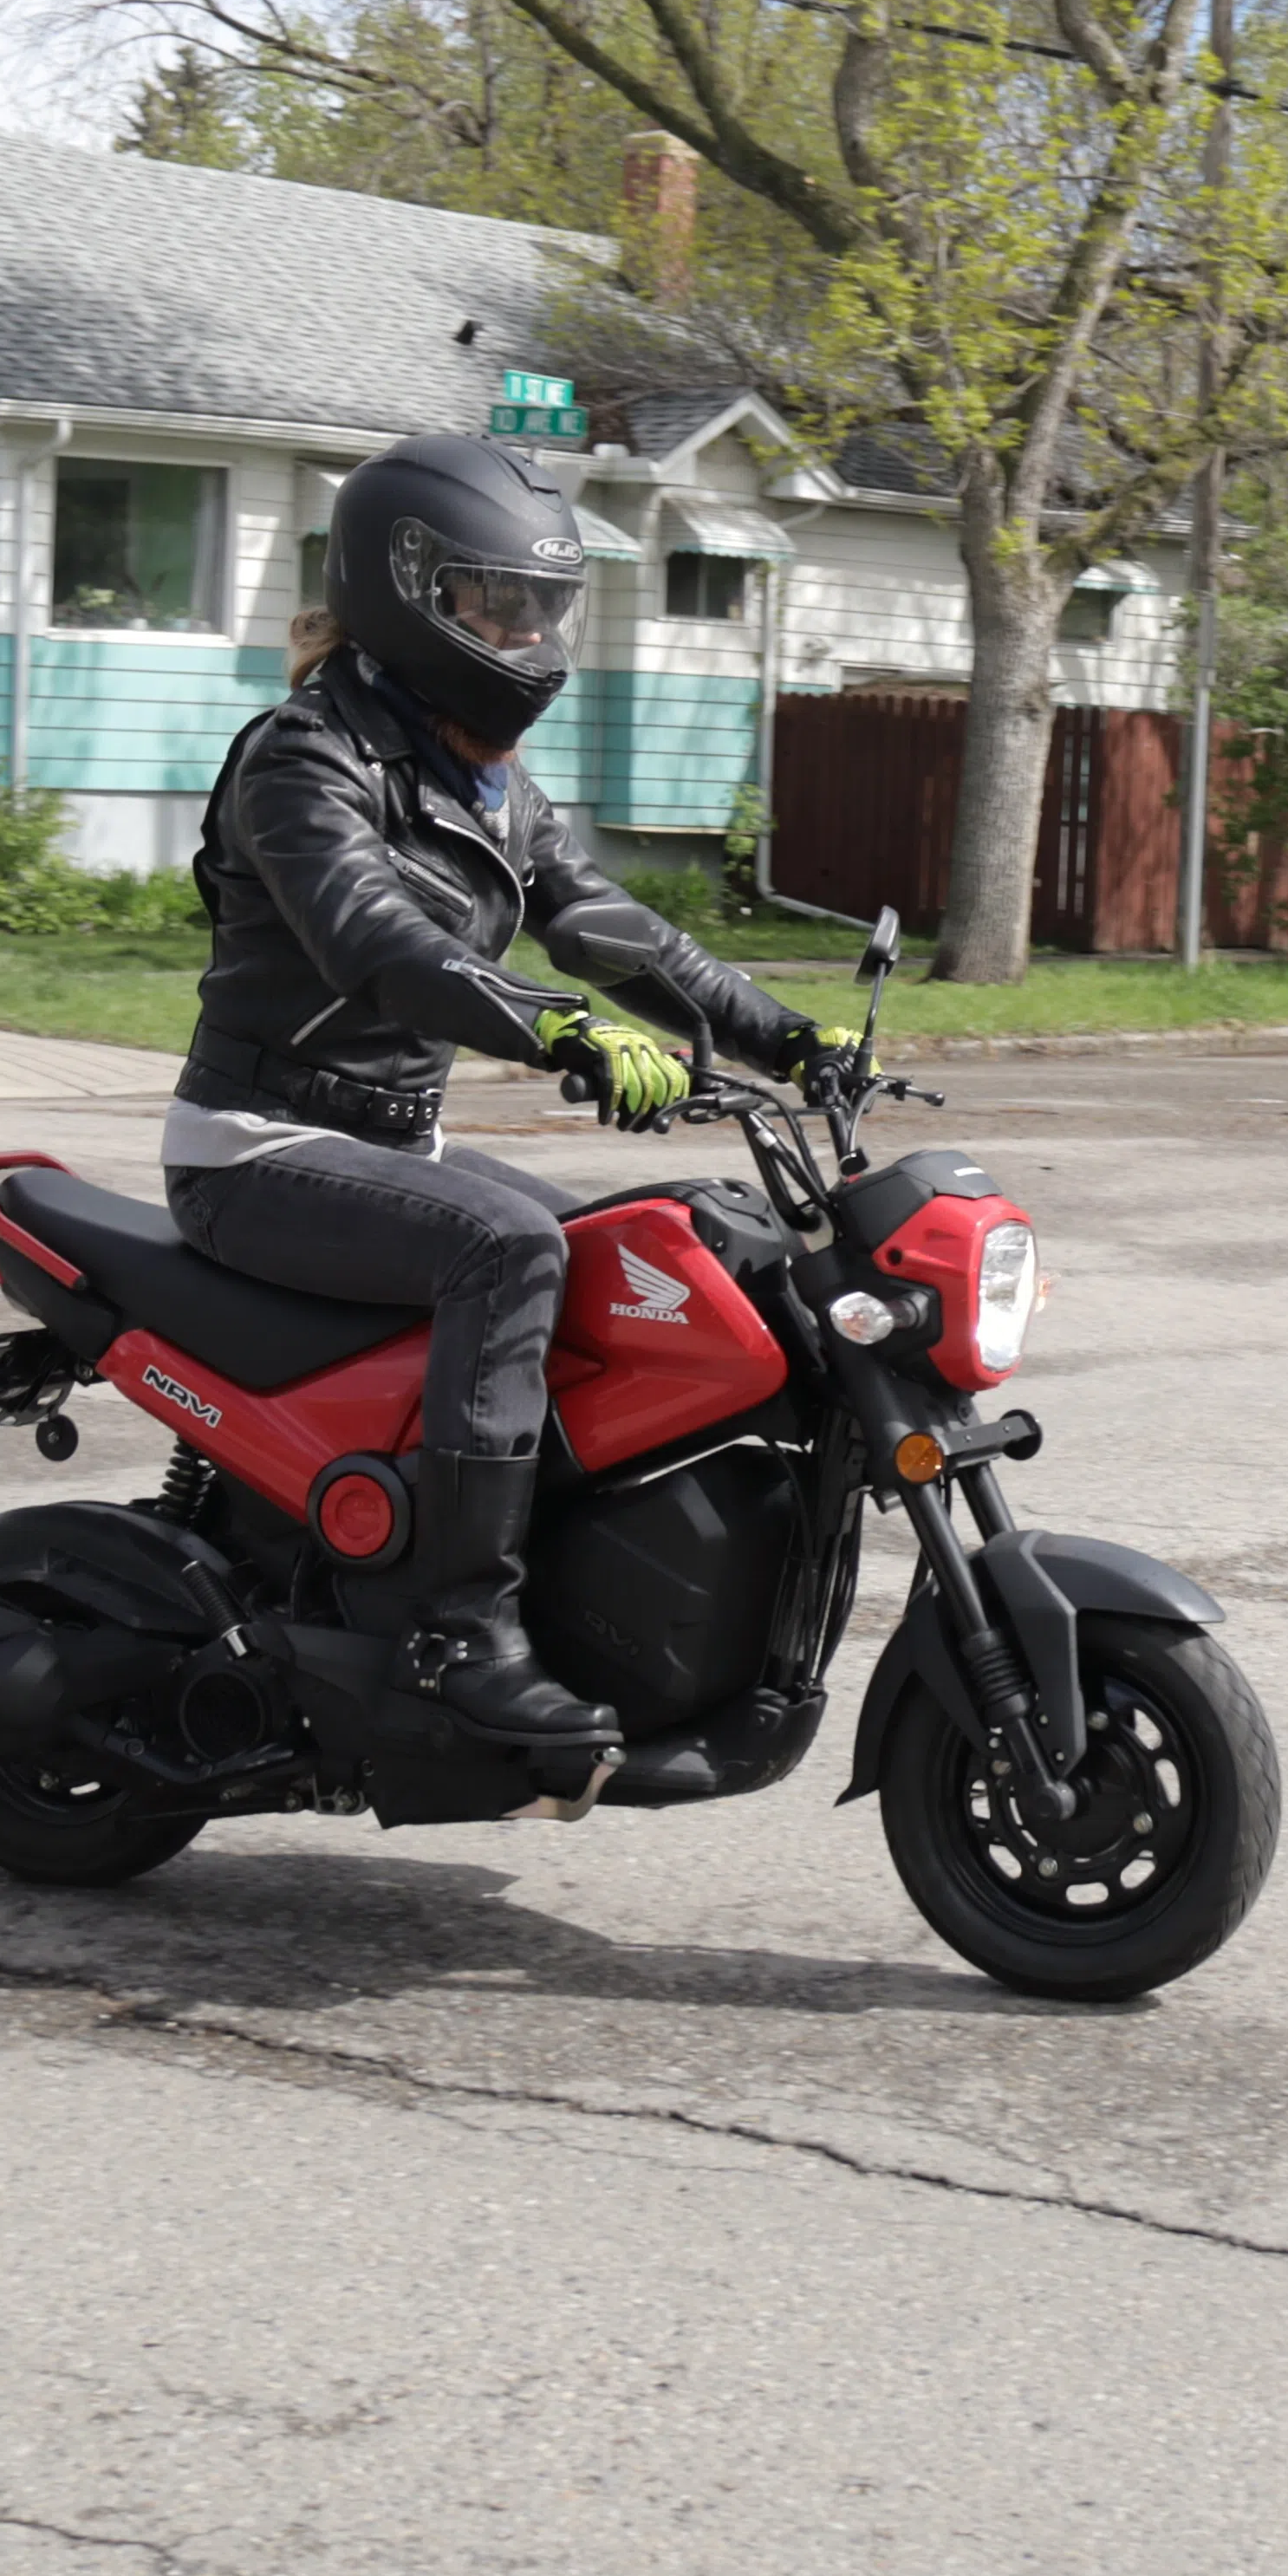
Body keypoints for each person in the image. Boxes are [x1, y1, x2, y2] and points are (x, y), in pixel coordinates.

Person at [168, 432, 841, 1760]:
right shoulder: (305, 761)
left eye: (544, 605)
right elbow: (377, 944)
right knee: (511, 1248)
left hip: (392, 1148)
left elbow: (608, 927)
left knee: (641, 1253)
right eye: (499, 602)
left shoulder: (481, 776)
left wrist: (795, 1040)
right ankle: (459, 1637)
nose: (529, 633)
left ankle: (577, 1592)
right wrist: (562, 1032)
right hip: (257, 1149)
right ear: (406, 591)